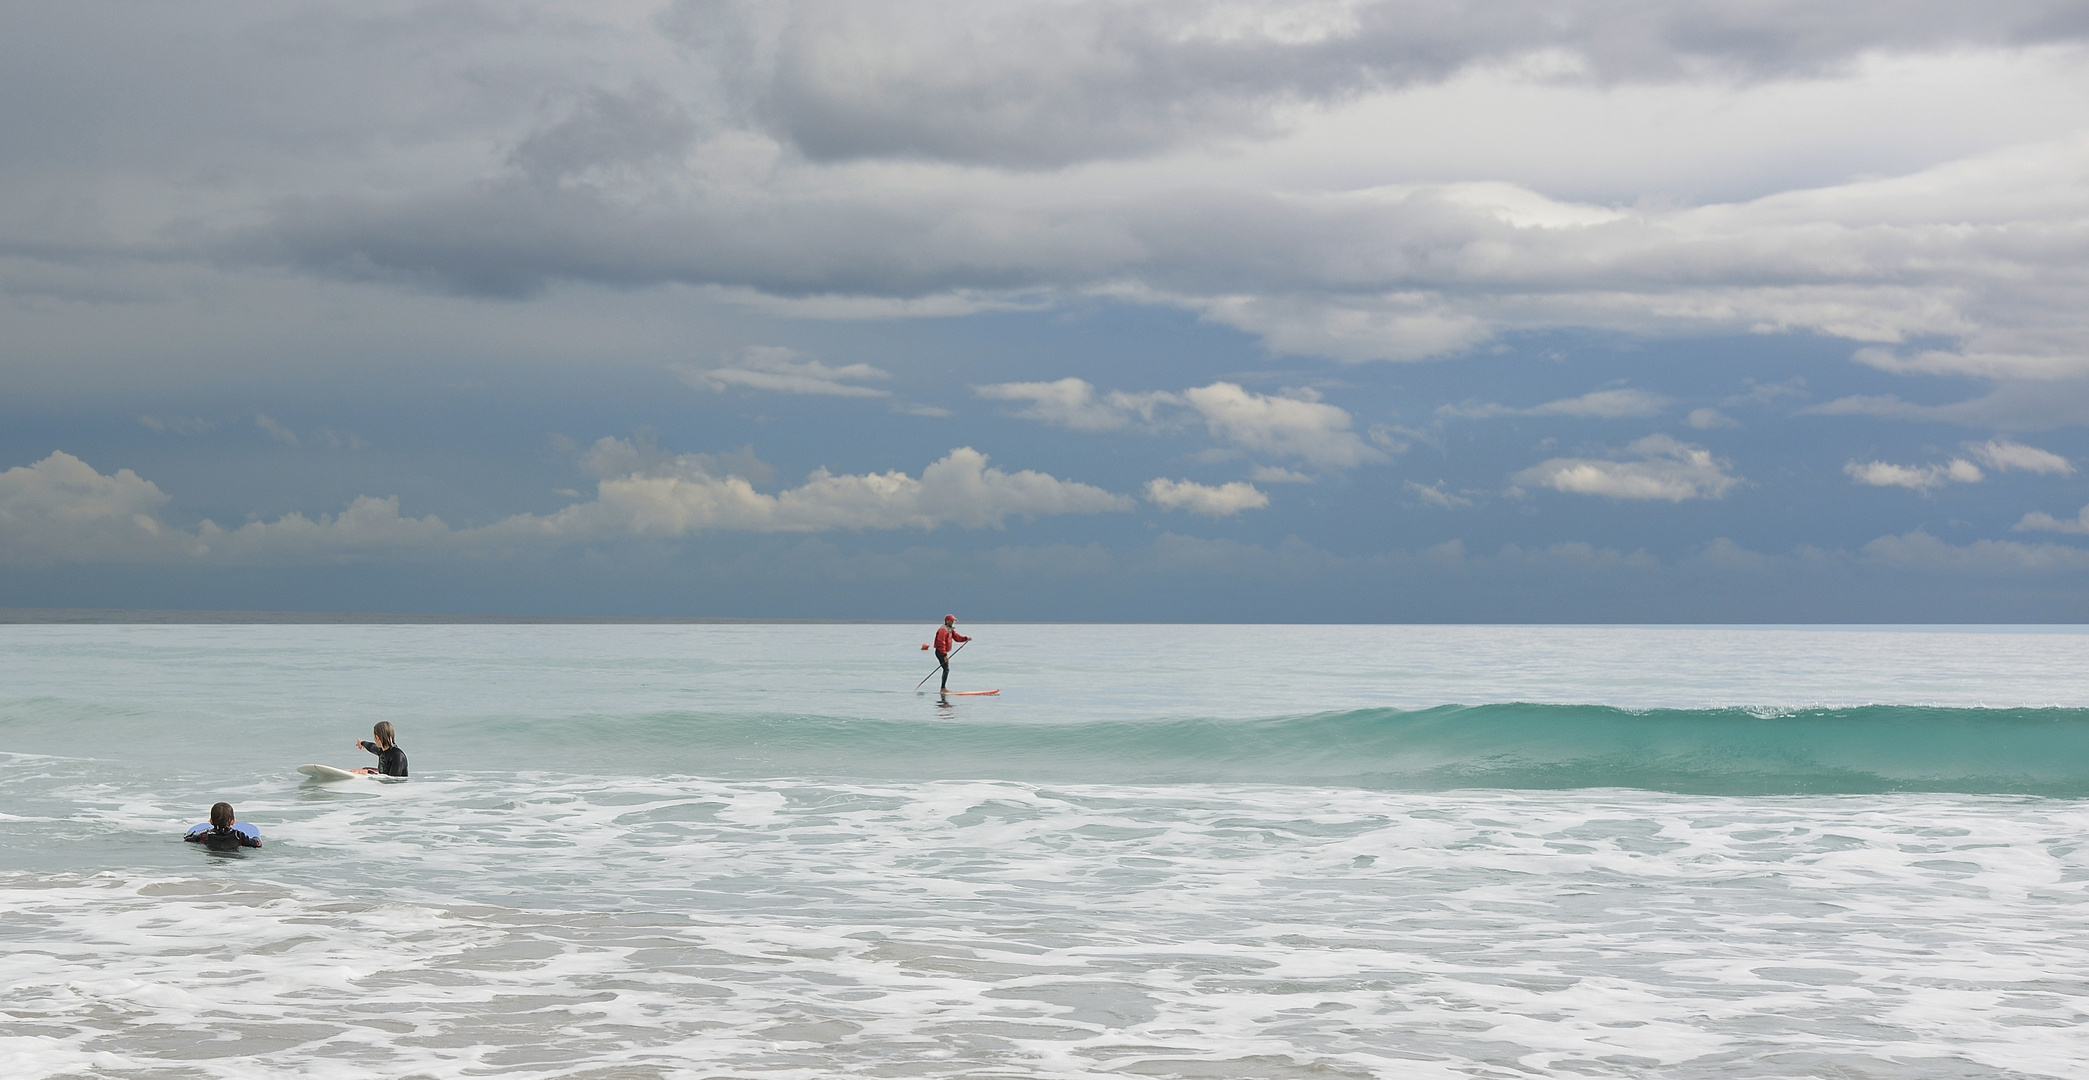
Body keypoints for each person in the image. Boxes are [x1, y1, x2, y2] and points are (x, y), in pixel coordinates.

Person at [184, 802, 261, 850]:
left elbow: (188, 839)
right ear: (233, 821)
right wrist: (256, 839)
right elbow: (257, 844)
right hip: (233, 859)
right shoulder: (238, 836)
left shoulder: (205, 836)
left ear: (211, 821)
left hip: (212, 859)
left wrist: (190, 835)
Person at [932, 614, 970, 692]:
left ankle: (943, 688)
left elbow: (957, 638)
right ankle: (943, 688)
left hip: (943, 652)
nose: (953, 622)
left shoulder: (950, 629)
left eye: (953, 621)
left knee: (946, 669)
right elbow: (941, 643)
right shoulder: (943, 630)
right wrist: (944, 655)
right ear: (947, 621)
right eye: (951, 621)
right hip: (940, 652)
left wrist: (965, 638)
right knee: (946, 669)